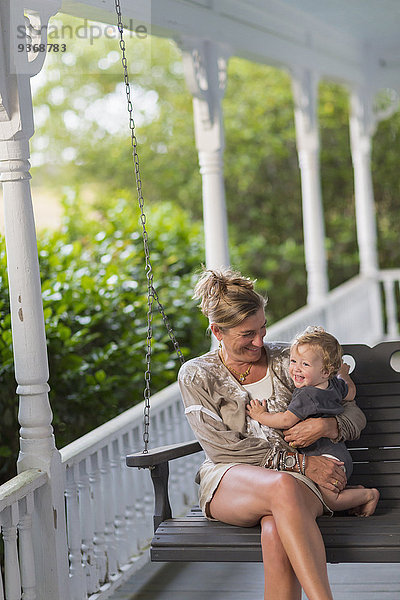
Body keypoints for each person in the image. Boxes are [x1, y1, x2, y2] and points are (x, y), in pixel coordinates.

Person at [178, 268, 367, 600]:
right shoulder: (197, 375)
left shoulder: (288, 358)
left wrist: (326, 426)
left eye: (263, 327)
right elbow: (222, 449)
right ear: (217, 331)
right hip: (232, 478)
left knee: (275, 529)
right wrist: (301, 464)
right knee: (281, 485)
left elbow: (353, 413)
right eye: (247, 334)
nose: (259, 340)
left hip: (301, 482)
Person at [246, 326, 379, 516]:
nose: (295, 369)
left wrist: (260, 415)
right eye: (293, 361)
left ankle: (368, 495)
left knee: (330, 501)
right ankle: (354, 490)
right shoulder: (334, 384)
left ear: (325, 371)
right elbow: (351, 393)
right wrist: (344, 374)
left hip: (326, 459)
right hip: (338, 453)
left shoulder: (306, 395)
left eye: (305, 365)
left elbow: (285, 420)